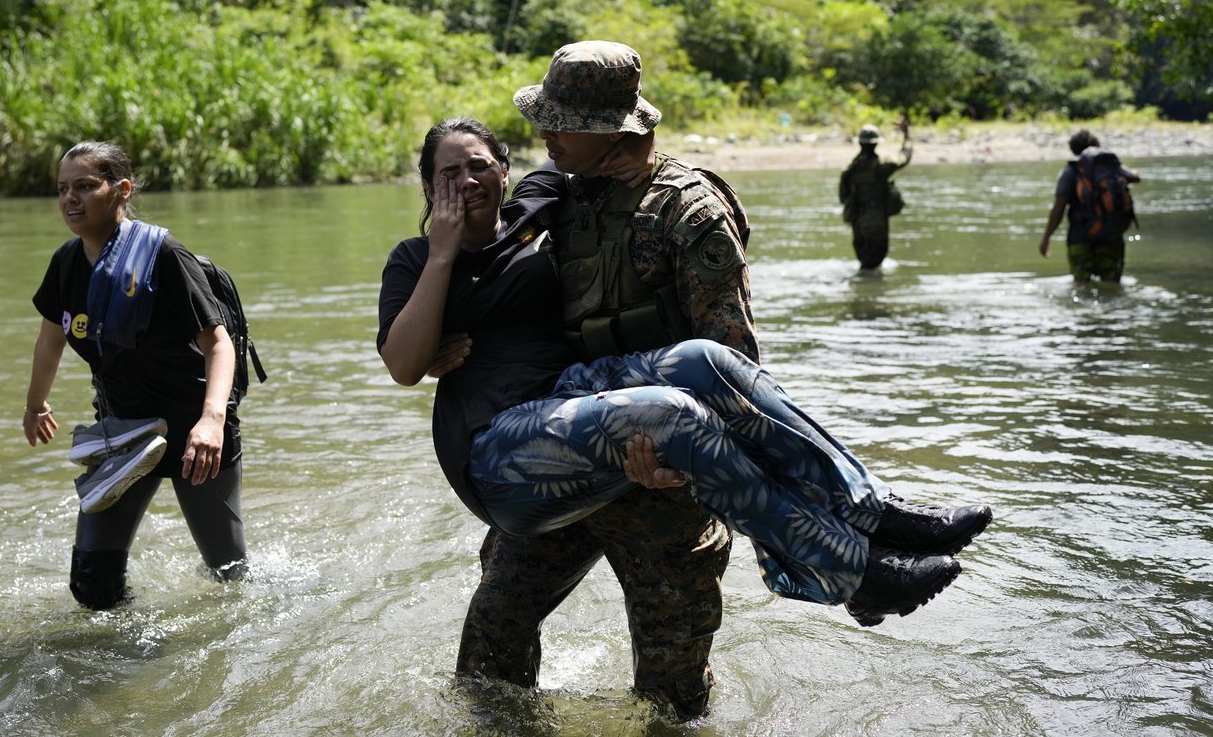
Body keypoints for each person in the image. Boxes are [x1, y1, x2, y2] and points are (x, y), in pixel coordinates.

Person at [376, 118, 990, 664]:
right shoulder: (415, 260)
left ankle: (869, 509)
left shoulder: (547, 204)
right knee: (500, 636)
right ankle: (853, 572)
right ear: (429, 187)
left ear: (505, 171)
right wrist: (443, 256)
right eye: (448, 173)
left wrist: (638, 148)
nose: (467, 181)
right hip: (502, 448)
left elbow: (589, 155)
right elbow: (402, 366)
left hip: (577, 405)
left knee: (705, 363)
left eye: (479, 165)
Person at [449, 41, 758, 717]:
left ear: (608, 129)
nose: (544, 132)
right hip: (570, 460)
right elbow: (516, 307)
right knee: (490, 649)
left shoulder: (690, 211)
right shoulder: (566, 200)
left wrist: (684, 466)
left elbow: (733, 362)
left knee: (672, 696)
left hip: (662, 484)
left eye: (558, 120)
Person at [22, 141, 247, 610]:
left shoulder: (164, 255)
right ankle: (125, 663)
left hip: (194, 434)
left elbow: (218, 343)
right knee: (92, 585)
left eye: (85, 186)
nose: (70, 199)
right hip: (125, 433)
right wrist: (35, 404)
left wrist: (212, 422)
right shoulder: (66, 263)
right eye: (63, 189)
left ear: (121, 190)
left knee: (229, 577)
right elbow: (51, 340)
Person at [1039, 128, 1141, 283]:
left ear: (1074, 149)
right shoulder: (1111, 167)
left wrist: (1046, 238)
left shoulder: (1071, 170)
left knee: (1080, 286)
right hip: (1112, 235)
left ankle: (1083, 308)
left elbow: (1059, 208)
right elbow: (1135, 177)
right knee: (1111, 284)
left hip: (1080, 237)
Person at [839, 118, 913, 270]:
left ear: (860, 143)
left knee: (864, 263)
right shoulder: (882, 167)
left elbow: (843, 197)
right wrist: (906, 135)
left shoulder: (849, 170)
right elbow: (904, 157)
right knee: (877, 262)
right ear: (876, 143)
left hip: (857, 220)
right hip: (878, 220)